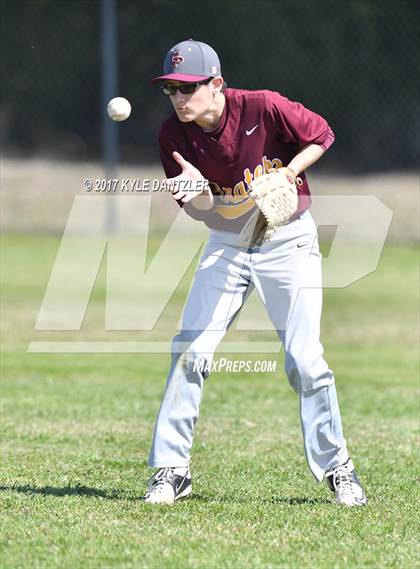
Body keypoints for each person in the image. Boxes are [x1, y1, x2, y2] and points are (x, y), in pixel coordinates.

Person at [144, 39, 367, 507]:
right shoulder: (173, 137)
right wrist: (200, 195)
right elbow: (205, 215)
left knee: (305, 360)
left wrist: (288, 173)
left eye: (189, 88)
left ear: (217, 84)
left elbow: (322, 135)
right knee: (189, 350)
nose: (180, 99)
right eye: (171, 90)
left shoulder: (262, 107)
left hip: (288, 240)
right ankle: (171, 470)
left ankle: (337, 468)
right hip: (227, 242)